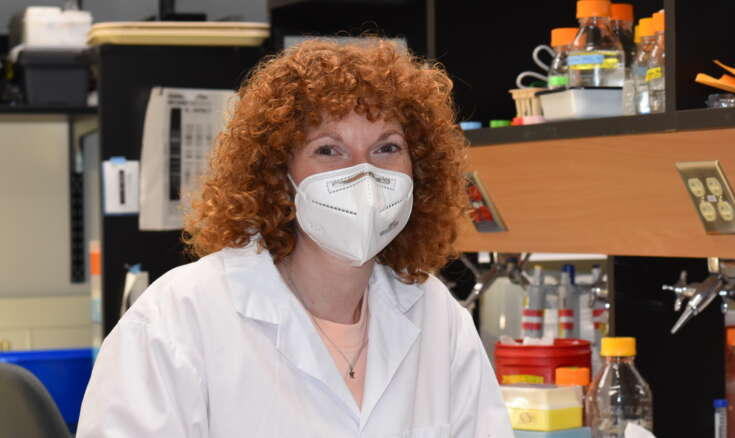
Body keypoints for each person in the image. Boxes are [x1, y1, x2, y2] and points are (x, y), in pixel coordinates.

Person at [77, 39, 514, 437]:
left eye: (387, 148)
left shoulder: (436, 315)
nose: (363, 173)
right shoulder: (179, 316)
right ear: (279, 177)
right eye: (329, 150)